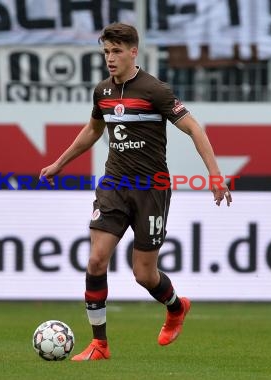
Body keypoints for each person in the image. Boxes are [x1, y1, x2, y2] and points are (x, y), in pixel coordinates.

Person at [39, 22, 232, 361]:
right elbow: (93, 130)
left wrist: (214, 176)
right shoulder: (102, 92)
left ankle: (175, 307)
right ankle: (99, 344)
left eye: (116, 52)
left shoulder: (154, 90)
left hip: (151, 189)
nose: (110, 59)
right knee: (97, 260)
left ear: (133, 52)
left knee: (144, 274)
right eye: (106, 52)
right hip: (114, 184)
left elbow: (193, 128)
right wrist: (60, 163)